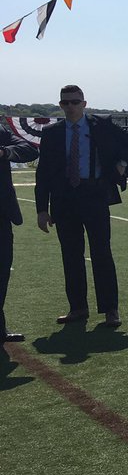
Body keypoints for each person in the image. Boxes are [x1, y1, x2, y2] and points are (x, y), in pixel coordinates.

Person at [34, 85, 128, 327]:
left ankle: (110, 309)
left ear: (84, 103)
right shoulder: (51, 133)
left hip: (95, 195)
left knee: (102, 253)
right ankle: (78, 308)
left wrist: (122, 164)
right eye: (65, 103)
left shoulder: (100, 125)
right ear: (60, 105)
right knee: (71, 256)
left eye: (74, 101)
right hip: (64, 200)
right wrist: (41, 209)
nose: (70, 106)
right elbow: (44, 173)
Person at [1, 128, 38, 342]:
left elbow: (30, 150)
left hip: (1, 215)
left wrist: (4, 152)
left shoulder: (1, 133)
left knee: (2, 271)